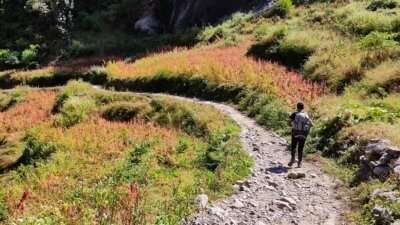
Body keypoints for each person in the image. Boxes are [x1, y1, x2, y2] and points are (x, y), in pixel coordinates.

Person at [288, 102, 313, 168]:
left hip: (295, 133)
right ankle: (299, 163)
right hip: (303, 134)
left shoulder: (294, 114)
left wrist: (293, 126)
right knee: (300, 148)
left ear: (297, 107)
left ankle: (292, 159)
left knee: (293, 146)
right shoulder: (306, 115)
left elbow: (289, 122)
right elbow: (311, 124)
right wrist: (306, 130)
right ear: (303, 108)